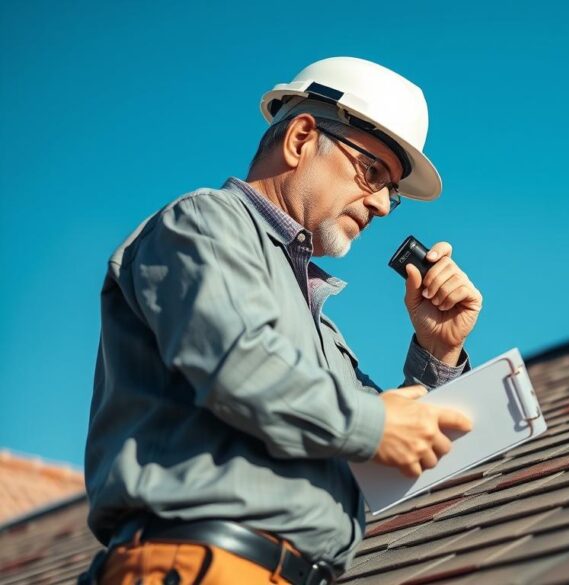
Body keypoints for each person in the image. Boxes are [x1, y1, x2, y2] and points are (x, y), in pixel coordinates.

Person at [80, 57, 482, 584]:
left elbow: (386, 451)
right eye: (374, 173)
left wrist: (436, 351)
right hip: (205, 565)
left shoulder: (321, 329)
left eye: (393, 191)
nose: (384, 204)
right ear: (300, 138)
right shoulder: (205, 223)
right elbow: (240, 367)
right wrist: (376, 422)